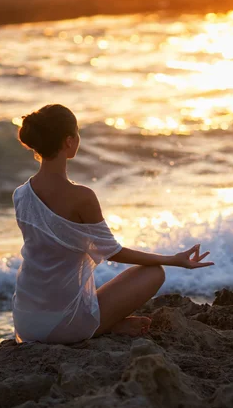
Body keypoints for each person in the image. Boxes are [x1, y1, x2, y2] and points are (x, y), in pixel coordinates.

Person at [12, 104, 214, 344]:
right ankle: (101, 327)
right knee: (153, 273)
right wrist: (173, 260)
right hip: (61, 327)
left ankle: (105, 323)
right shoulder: (82, 197)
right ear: (68, 141)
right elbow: (113, 252)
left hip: (25, 320)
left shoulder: (21, 194)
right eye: (77, 132)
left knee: (71, 286)